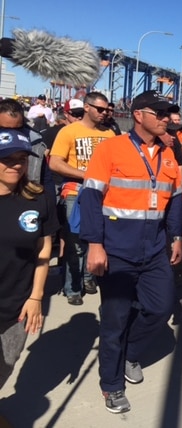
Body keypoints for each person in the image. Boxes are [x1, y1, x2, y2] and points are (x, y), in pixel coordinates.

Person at [80, 90, 182, 413]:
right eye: (160, 113)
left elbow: (176, 200)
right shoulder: (111, 149)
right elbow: (90, 199)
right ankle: (111, 385)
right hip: (116, 250)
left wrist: (177, 236)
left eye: (168, 113)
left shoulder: (169, 155)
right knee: (115, 321)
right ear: (139, 115)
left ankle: (130, 352)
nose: (166, 118)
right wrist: (95, 245)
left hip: (154, 249)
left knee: (161, 308)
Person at [0, 128, 59, 390]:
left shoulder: (38, 199)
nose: (15, 165)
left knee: (8, 361)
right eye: (7, 158)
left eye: (21, 158)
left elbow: (44, 251)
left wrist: (36, 297)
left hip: (19, 303)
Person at [49, 92, 115, 305]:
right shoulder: (68, 132)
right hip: (75, 192)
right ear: (87, 107)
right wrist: (87, 175)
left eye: (107, 110)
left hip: (103, 194)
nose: (104, 113)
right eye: (100, 109)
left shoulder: (110, 135)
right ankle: (73, 287)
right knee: (75, 243)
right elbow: (55, 163)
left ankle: (89, 278)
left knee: (96, 238)